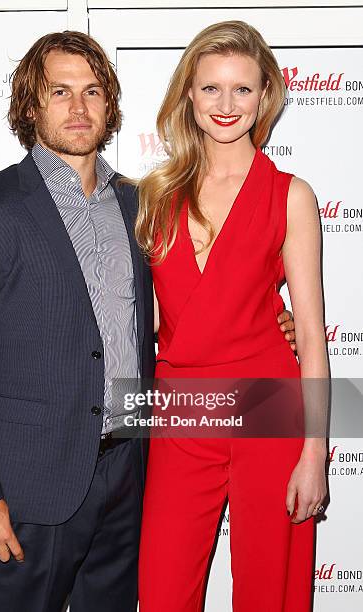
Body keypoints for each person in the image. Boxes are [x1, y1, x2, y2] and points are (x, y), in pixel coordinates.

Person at [0, 29, 296, 612]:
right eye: (60, 92)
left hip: (131, 475)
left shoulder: (142, 202)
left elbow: (188, 301)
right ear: (30, 105)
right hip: (33, 488)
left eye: (93, 92)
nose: (79, 108)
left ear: (110, 106)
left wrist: (271, 316)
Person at [137, 21, 328, 612]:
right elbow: (138, 325)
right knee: (163, 591)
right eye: (211, 88)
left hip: (269, 408)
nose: (226, 105)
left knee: (272, 591)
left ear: (265, 96)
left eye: (242, 90)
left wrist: (316, 453)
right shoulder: (154, 195)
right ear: (187, 95)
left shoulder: (290, 195)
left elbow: (314, 335)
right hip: (179, 412)